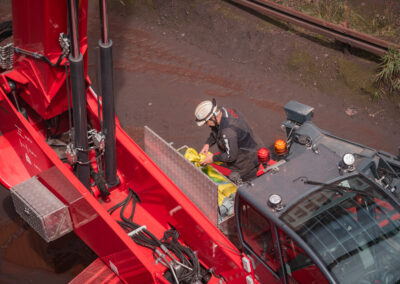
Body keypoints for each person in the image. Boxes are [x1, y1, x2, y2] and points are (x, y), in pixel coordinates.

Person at [194, 99, 261, 182]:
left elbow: (231, 156)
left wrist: (213, 158)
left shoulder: (228, 132)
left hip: (246, 163)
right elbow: (216, 130)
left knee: (248, 186)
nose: (206, 125)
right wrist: (207, 144)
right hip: (252, 147)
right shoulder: (224, 111)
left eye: (206, 122)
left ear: (212, 117)